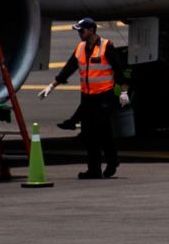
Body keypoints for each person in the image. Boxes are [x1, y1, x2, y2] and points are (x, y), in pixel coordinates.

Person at [39, 18, 129, 179]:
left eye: (82, 31)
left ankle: (111, 161)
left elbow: (118, 70)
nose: (79, 34)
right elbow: (69, 68)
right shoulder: (80, 48)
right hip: (87, 97)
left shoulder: (106, 46)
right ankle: (94, 169)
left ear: (92, 30)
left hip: (104, 96)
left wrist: (123, 92)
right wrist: (52, 86)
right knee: (88, 134)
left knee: (101, 131)